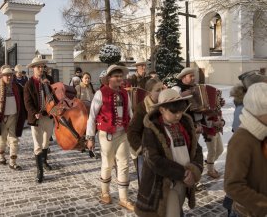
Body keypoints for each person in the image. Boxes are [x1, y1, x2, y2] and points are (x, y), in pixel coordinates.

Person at [135, 89, 203, 217]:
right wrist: (182, 173)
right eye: (174, 112)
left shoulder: (185, 125)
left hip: (184, 182)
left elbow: (197, 149)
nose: (178, 115)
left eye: (180, 111)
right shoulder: (151, 129)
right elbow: (154, 159)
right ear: (162, 110)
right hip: (162, 184)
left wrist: (194, 170)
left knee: (178, 208)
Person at [85, 64, 134, 211]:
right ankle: (105, 192)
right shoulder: (101, 93)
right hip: (107, 134)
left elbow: (130, 113)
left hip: (123, 133)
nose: (119, 78)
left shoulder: (125, 94)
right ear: (109, 78)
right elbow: (92, 116)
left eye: (120, 76)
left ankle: (123, 198)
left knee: (124, 164)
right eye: (116, 76)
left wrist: (133, 129)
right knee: (107, 163)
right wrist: (90, 137)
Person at [224, 82, 267, 217]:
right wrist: (263, 205)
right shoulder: (241, 140)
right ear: (258, 112)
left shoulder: (263, 133)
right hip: (248, 213)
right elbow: (232, 185)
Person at [0, 66, 27, 170]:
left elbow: (24, 98)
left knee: (14, 140)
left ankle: (13, 162)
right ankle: (1, 157)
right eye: (6, 76)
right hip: (1, 119)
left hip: (14, 118)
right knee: (2, 139)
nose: (9, 77)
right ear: (2, 77)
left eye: (10, 75)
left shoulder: (17, 87)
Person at [127, 78, 165, 185]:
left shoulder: (165, 104)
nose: (162, 92)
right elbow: (132, 131)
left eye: (163, 88)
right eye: (158, 90)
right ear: (149, 92)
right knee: (147, 184)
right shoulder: (142, 108)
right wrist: (141, 149)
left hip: (162, 151)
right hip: (147, 151)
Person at [24, 56, 54, 183]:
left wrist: (50, 86)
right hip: (36, 117)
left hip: (48, 115)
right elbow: (27, 102)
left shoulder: (49, 79)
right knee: (37, 144)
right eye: (38, 67)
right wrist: (34, 112)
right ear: (33, 69)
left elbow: (56, 96)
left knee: (46, 141)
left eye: (42, 67)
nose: (41, 69)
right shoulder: (29, 84)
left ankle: (45, 161)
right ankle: (39, 171)